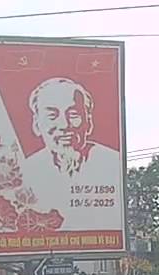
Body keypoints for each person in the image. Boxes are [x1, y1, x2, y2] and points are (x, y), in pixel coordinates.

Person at [21, 76, 124, 223]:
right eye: (52, 116)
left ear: (89, 122)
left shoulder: (112, 163)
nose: (64, 125)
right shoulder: (24, 172)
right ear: (36, 124)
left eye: (73, 114)